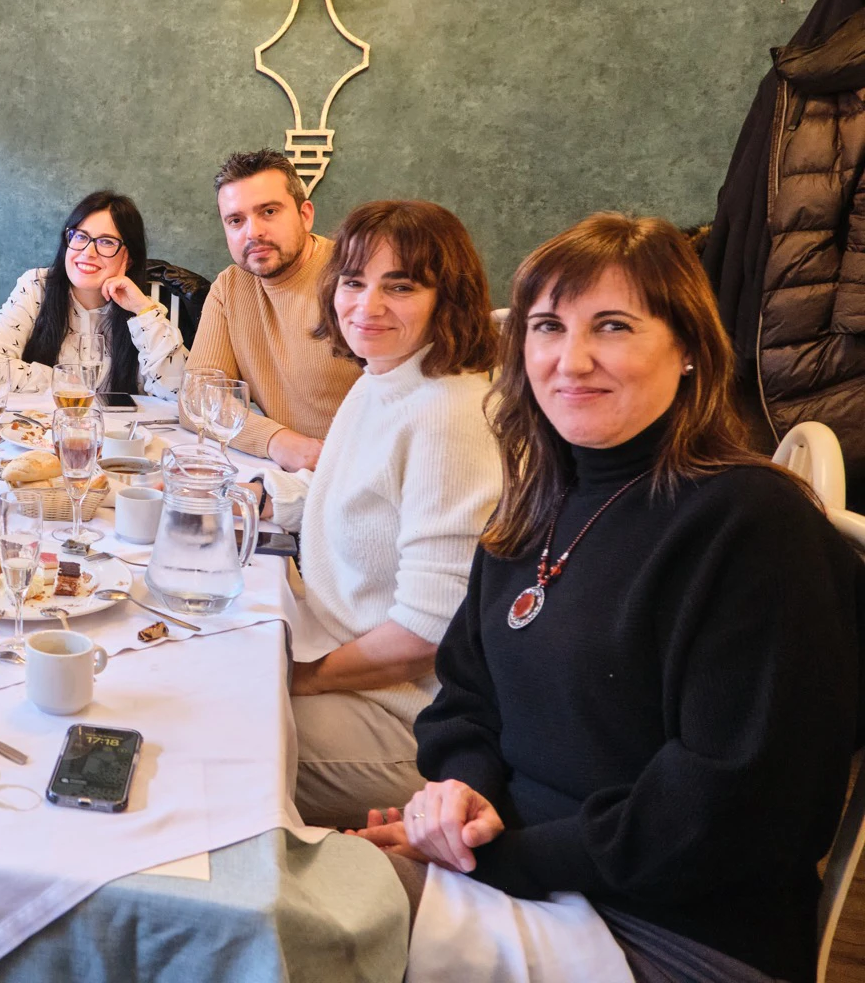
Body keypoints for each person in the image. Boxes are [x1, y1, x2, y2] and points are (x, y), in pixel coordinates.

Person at [355, 214, 862, 983]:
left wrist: (504, 859)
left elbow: (727, 812)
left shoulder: (753, 526)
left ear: (689, 348)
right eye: (548, 327)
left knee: (287, 919)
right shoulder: (537, 504)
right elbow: (464, 696)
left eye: (613, 326)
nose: (571, 359)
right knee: (270, 899)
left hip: (677, 933)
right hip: (527, 874)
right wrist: (461, 798)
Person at [251, 201, 502, 829]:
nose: (367, 306)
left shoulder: (449, 414)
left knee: (202, 737)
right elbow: (358, 496)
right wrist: (259, 503)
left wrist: (301, 677)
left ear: (449, 298)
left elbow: (428, 633)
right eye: (354, 281)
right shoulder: (383, 377)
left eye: (401, 286)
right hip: (342, 656)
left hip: (406, 718)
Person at [188, 149, 361, 471]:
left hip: (364, 475)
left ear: (305, 215)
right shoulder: (230, 287)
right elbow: (197, 398)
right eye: (236, 220)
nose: (253, 232)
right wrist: (276, 441)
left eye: (269, 212)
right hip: (289, 478)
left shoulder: (357, 279)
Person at [0, 190, 187, 398]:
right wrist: (62, 382)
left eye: (106, 242)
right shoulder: (36, 286)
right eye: (80, 236)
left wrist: (143, 310)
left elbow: (181, 392)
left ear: (129, 258)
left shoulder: (144, 309)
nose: (88, 252)